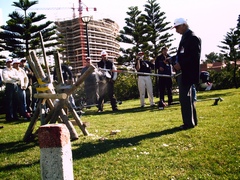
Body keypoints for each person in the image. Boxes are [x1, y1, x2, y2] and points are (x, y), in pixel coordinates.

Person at [172, 18, 201, 130]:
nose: (176, 30)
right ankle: (192, 121)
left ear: (184, 25)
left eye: (178, 27)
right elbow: (182, 55)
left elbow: (194, 57)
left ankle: (188, 123)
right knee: (186, 98)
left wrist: (181, 65)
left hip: (187, 73)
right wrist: (172, 59)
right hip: (183, 72)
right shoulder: (185, 37)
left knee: (185, 98)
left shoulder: (192, 38)